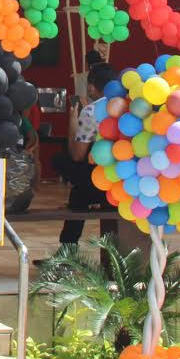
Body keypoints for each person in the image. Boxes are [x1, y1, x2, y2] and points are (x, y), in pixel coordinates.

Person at [54, 62, 117, 245]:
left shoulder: (91, 111)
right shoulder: (126, 105)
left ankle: (68, 249)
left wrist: (73, 122)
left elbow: (77, 155)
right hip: (122, 180)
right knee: (79, 193)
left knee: (61, 161)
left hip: (98, 181)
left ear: (91, 86)